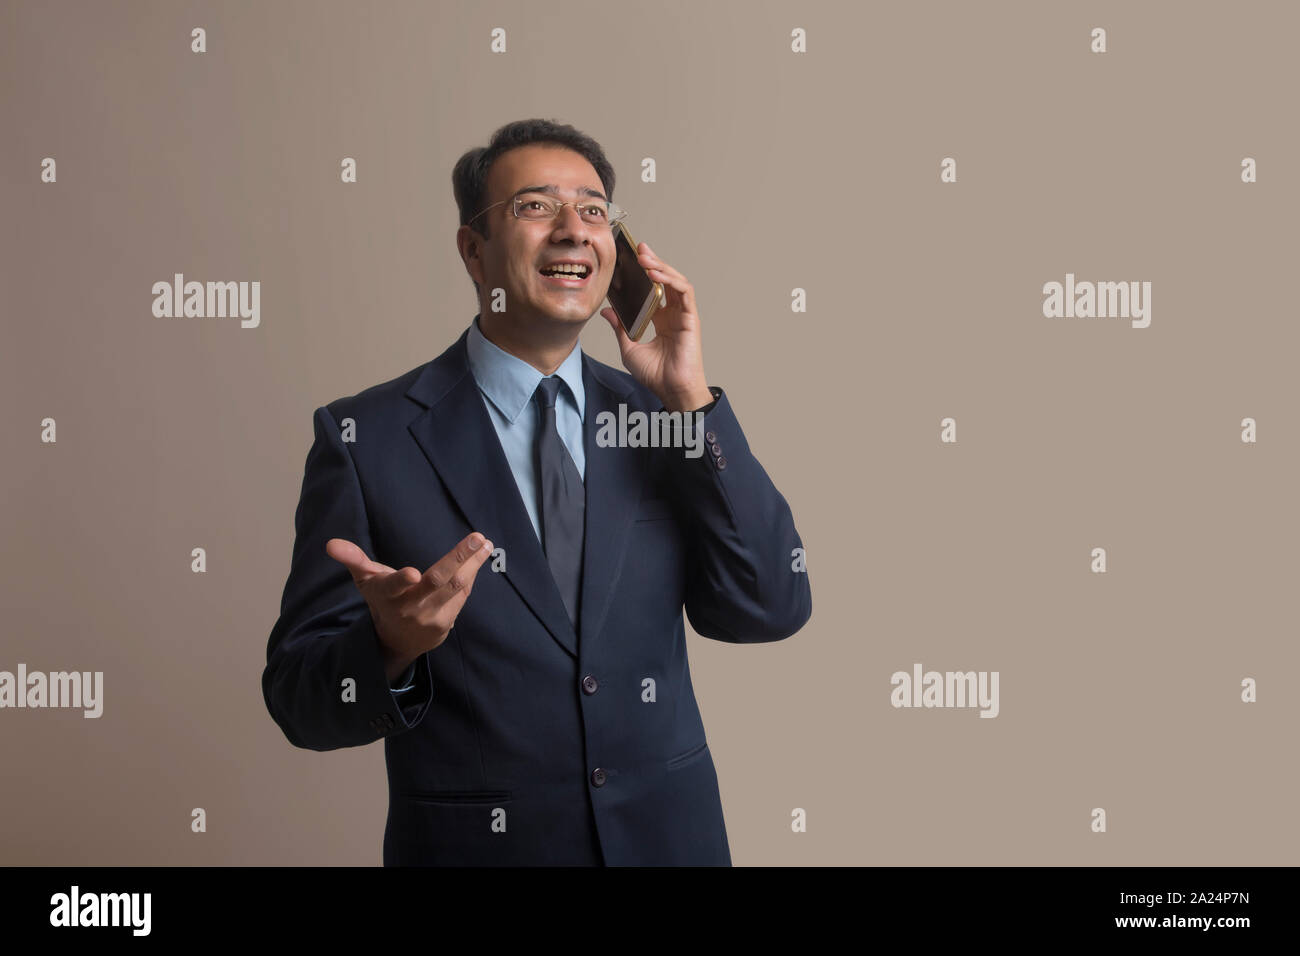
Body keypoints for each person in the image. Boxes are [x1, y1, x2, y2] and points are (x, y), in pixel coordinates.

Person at [261, 118, 812, 865]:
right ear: (473, 249)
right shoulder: (366, 440)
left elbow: (771, 605)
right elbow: (301, 702)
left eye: (592, 210)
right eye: (534, 207)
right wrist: (388, 646)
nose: (571, 231)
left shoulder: (665, 420)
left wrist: (690, 402)